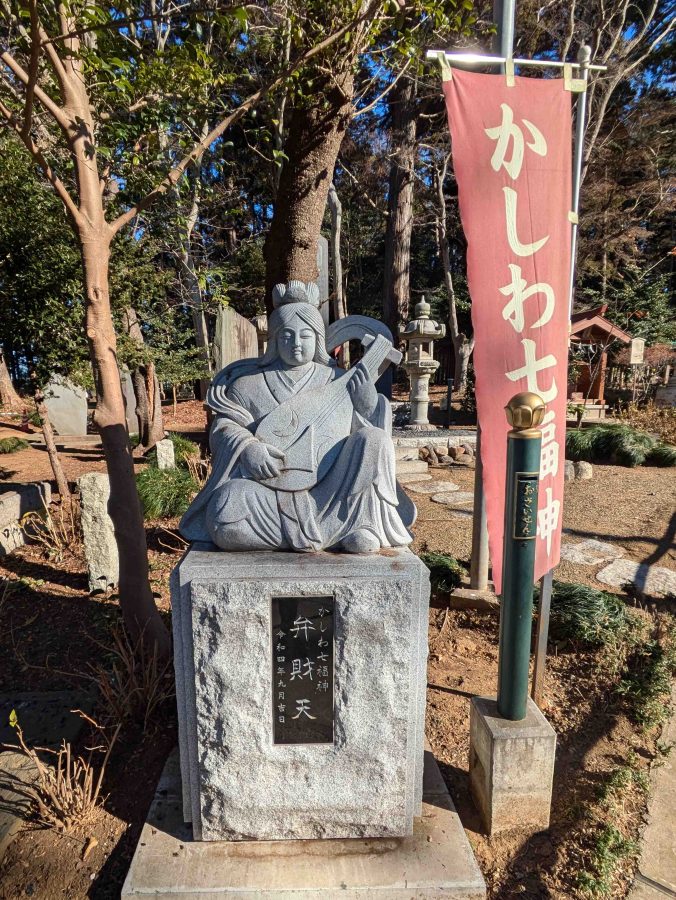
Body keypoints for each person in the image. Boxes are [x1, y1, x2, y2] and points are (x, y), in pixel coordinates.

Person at [180, 281, 414, 552]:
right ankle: (335, 532)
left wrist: (368, 402)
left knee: (373, 439)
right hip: (267, 493)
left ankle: (357, 522)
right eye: (287, 336)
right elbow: (224, 426)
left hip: (330, 492)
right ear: (274, 340)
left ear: (317, 338)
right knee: (224, 511)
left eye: (305, 336)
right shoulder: (249, 384)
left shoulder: (336, 379)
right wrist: (248, 448)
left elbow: (366, 439)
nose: (296, 344)